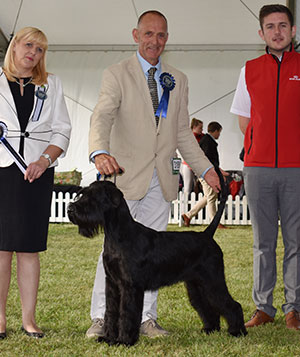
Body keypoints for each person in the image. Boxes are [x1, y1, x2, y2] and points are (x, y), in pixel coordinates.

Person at [87, 10, 221, 339]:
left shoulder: (177, 79)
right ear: (136, 35)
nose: (155, 41)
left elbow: (182, 134)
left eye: (161, 35)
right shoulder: (116, 74)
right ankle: (101, 319)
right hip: (124, 179)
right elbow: (102, 115)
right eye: (149, 34)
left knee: (152, 259)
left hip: (161, 180)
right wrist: (99, 150)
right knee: (113, 254)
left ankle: (147, 319)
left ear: (167, 39)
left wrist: (207, 169)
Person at [231, 4, 300, 330]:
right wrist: (260, 146)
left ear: (293, 31)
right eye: (270, 26)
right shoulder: (249, 69)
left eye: (283, 25)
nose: (277, 31)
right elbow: (246, 121)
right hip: (257, 168)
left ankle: (293, 309)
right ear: (261, 33)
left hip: (296, 168)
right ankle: (264, 307)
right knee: (263, 242)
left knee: (296, 241)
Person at [0, 27, 71, 339]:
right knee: (0, 250)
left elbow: (62, 130)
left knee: (29, 249)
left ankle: (29, 320)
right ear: (14, 46)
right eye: (28, 45)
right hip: (2, 171)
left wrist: (44, 160)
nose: (33, 53)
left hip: (36, 173)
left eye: (40, 49)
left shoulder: (51, 84)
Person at [181, 122, 228, 228]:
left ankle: (188, 215)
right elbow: (206, 158)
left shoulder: (206, 140)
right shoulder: (208, 142)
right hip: (206, 172)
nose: (219, 135)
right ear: (216, 131)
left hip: (204, 171)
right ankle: (214, 222)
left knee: (209, 196)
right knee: (211, 196)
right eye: (219, 132)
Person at [180, 118, 204, 195]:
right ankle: (184, 206)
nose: (202, 130)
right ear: (194, 127)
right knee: (187, 187)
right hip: (188, 165)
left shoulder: (202, 137)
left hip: (196, 165)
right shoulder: (189, 137)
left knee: (195, 188)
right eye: (200, 128)